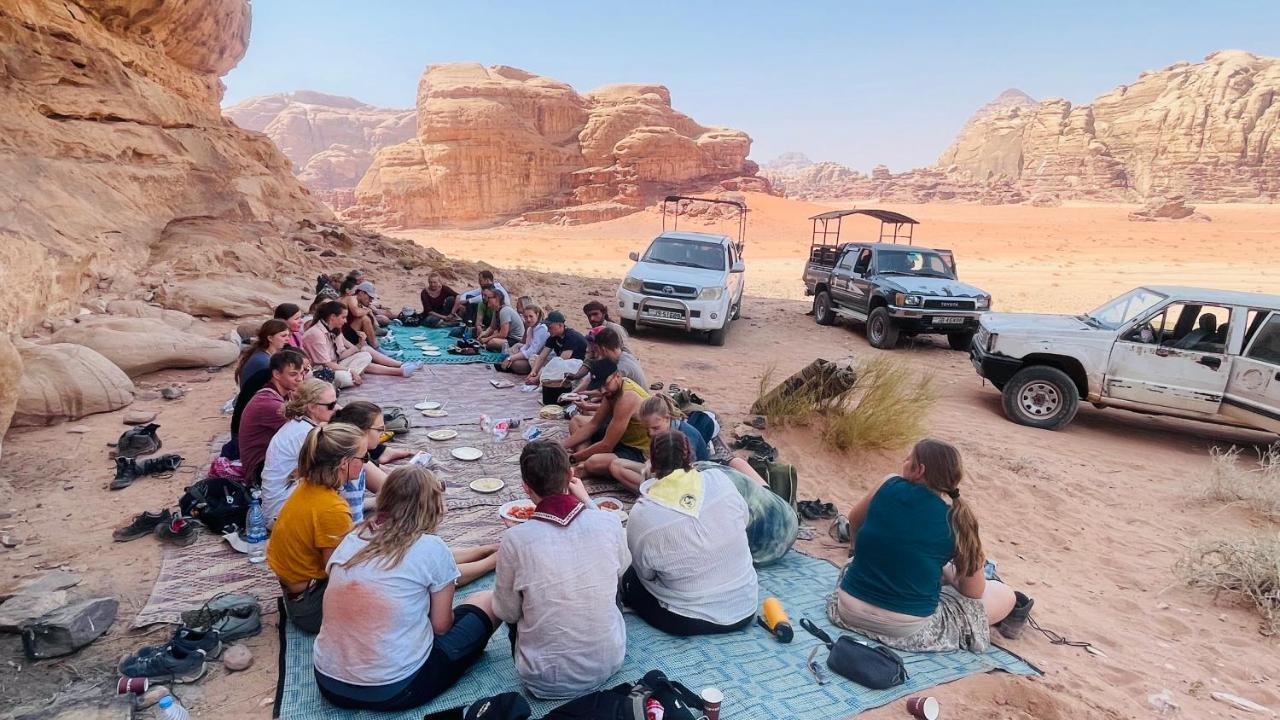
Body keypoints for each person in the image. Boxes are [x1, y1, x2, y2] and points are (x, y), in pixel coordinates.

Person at [312, 465, 500, 711]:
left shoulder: (353, 538)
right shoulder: (431, 548)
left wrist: (483, 552)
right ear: (432, 506)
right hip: (397, 688)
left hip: (328, 682)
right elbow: (441, 627)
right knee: (487, 600)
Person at [828, 439, 1020, 653]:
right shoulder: (957, 520)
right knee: (1005, 594)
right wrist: (947, 572)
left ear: (920, 470)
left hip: (845, 610)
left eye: (908, 458)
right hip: (906, 631)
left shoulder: (887, 484)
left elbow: (854, 520)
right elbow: (973, 592)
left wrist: (857, 551)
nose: (904, 461)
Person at [493, 441, 629, 699]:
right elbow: (622, 566)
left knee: (517, 601)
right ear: (571, 475)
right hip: (609, 662)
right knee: (610, 583)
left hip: (544, 681)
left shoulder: (515, 540)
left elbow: (506, 612)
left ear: (526, 488)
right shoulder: (608, 521)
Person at [621, 431, 757, 636]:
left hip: (689, 619)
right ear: (690, 457)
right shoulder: (720, 479)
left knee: (630, 579)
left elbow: (645, 573)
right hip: (746, 604)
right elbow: (743, 520)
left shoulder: (643, 513)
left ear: (652, 463)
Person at [267, 423, 367, 633]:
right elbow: (338, 571)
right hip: (311, 609)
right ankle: (450, 575)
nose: (366, 464)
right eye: (363, 458)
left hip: (298, 594)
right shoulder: (332, 508)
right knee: (402, 576)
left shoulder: (308, 486)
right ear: (343, 463)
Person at [261, 379, 337, 526]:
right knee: (343, 465)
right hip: (281, 512)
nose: (335, 409)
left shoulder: (302, 425)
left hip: (281, 503)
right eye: (331, 405)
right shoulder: (304, 433)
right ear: (312, 407)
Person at [561, 361, 650, 478]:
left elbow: (607, 445)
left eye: (605, 384)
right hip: (621, 438)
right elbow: (593, 424)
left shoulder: (627, 397)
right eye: (600, 386)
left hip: (637, 450)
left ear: (617, 376)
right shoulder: (612, 391)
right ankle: (583, 465)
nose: (602, 391)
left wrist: (573, 458)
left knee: (594, 462)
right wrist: (560, 446)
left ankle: (585, 465)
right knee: (577, 421)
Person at [302, 301, 416, 388]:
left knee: (365, 355)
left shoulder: (334, 329)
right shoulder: (317, 333)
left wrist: (359, 346)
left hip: (335, 364)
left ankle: (356, 374)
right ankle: (356, 374)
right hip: (321, 371)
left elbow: (340, 355)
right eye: (343, 317)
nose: (345, 321)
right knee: (344, 377)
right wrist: (350, 371)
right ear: (332, 317)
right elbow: (327, 364)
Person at [328, 401, 409, 522]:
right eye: (379, 429)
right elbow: (352, 525)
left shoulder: (353, 459)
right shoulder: (351, 466)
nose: (383, 433)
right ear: (362, 431)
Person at [608, 394, 708, 490]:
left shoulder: (684, 436)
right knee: (616, 465)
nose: (651, 433)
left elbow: (686, 473)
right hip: (663, 472)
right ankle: (650, 491)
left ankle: (653, 495)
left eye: (655, 428)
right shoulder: (659, 432)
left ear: (667, 418)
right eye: (647, 429)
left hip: (686, 481)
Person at [238, 351, 306, 481]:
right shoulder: (270, 404)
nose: (300, 379)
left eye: (302, 373)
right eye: (293, 374)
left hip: (271, 460)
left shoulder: (285, 394)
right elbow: (304, 429)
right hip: (259, 470)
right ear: (276, 374)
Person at [569, 327, 645, 402]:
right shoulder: (622, 356)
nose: (596, 353)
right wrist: (576, 394)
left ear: (603, 349)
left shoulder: (622, 368)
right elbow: (593, 380)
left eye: (596, 349)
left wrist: (587, 400)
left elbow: (607, 393)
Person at [524, 311, 588, 385]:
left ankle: (542, 378)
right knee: (534, 358)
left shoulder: (571, 337)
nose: (548, 330)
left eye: (550, 328)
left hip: (575, 366)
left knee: (554, 367)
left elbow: (560, 361)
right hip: (560, 363)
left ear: (560, 325)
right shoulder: (554, 336)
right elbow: (542, 356)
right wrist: (533, 372)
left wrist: (537, 378)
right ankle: (541, 376)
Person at [234, 319, 290, 386]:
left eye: (288, 335)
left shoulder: (261, 352)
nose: (288, 339)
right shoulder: (264, 361)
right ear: (270, 338)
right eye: (283, 336)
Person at [499, 302, 548, 376]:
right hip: (531, 357)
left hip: (540, 359)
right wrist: (515, 355)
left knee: (515, 364)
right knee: (513, 352)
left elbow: (532, 351)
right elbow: (527, 346)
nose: (528, 319)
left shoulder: (542, 329)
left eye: (531, 316)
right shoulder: (530, 329)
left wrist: (511, 358)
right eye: (526, 317)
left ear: (537, 315)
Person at [476, 288, 525, 353]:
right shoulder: (496, 311)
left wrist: (487, 339)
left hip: (515, 340)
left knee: (491, 342)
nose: (487, 299)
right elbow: (492, 328)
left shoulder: (505, 311)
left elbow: (503, 334)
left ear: (497, 299)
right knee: (484, 336)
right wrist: (483, 334)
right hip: (507, 337)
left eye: (489, 298)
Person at [342, 281, 384, 350]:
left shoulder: (358, 303)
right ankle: (377, 348)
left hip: (344, 334)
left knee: (365, 318)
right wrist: (368, 310)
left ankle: (374, 345)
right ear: (361, 293)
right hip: (341, 337)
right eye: (370, 297)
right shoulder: (352, 298)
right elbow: (356, 312)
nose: (371, 300)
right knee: (364, 319)